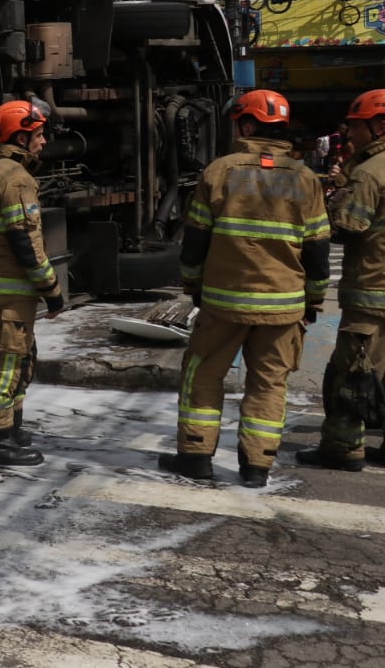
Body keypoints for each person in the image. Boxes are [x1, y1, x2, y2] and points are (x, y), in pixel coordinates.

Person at [164, 89, 330, 488]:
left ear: (249, 125)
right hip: (285, 307)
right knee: (269, 383)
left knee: (203, 374)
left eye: (240, 123)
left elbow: (194, 244)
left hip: (224, 303)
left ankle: (196, 457)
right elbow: (318, 253)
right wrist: (314, 300)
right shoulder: (306, 179)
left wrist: (194, 285)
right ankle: (257, 467)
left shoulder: (219, 172)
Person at [0, 99, 64, 467]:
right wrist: (52, 290)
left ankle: (11, 430)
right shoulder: (16, 179)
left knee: (19, 357)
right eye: (37, 135)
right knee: (7, 362)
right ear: (19, 137)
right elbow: (27, 242)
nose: (43, 142)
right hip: (14, 289)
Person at [298, 91, 385, 471]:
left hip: (371, 290)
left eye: (356, 125)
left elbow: (348, 226)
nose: (349, 131)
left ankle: (342, 449)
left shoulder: (370, 172)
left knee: (351, 374)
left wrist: (331, 200)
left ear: (379, 125)